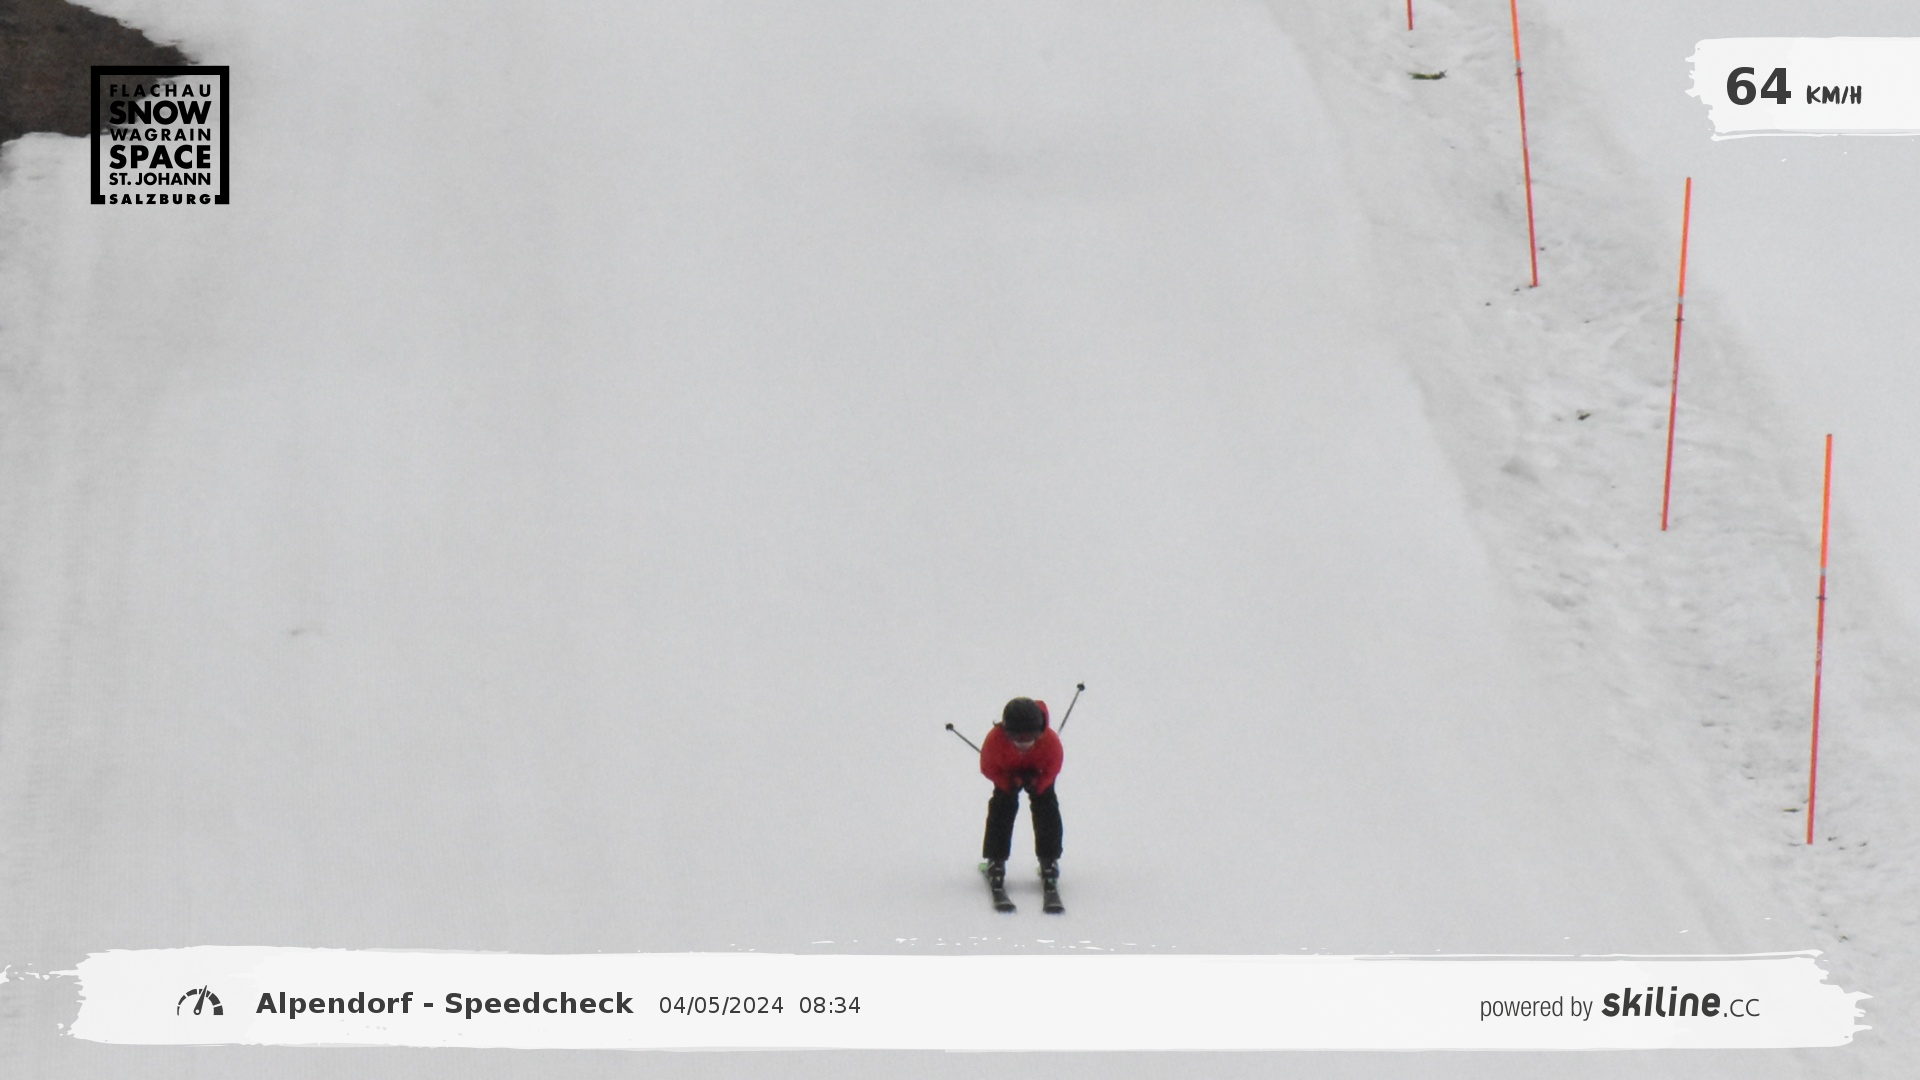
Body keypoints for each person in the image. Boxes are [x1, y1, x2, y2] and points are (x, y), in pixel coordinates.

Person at [979, 696, 1063, 888]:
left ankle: (1049, 861)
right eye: (1017, 738)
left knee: (1047, 808)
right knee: (1001, 808)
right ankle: (996, 861)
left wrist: (1038, 784)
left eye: (1030, 737)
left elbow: (1053, 768)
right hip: (1007, 775)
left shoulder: (1051, 741)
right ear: (1005, 731)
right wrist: (1008, 783)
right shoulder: (994, 740)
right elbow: (988, 768)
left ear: (1040, 731)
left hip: (1040, 774)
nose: (1023, 744)